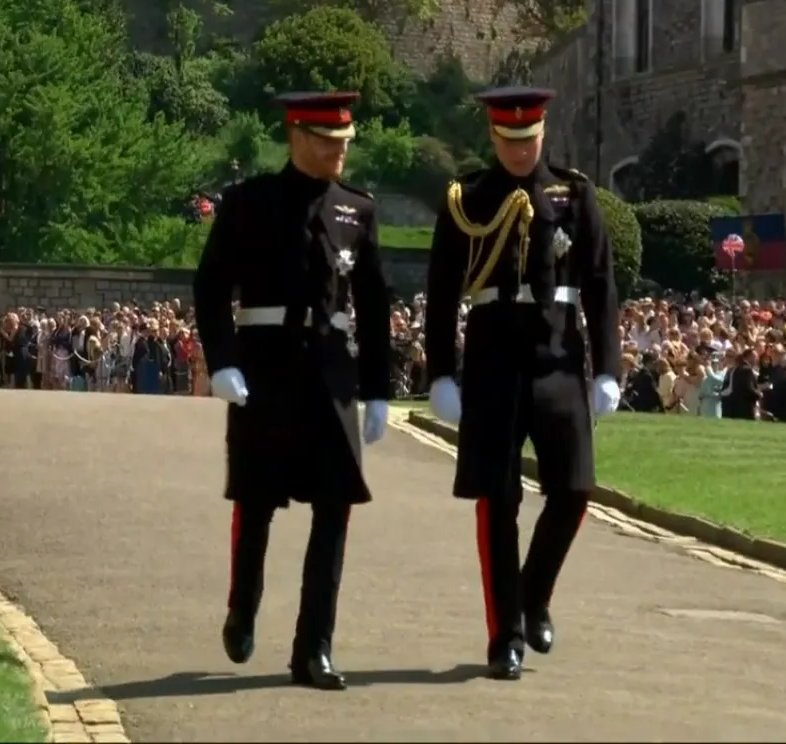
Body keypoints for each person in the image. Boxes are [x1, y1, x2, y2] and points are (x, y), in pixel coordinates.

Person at [191, 90, 392, 691]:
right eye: (328, 141)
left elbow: (376, 306)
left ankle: (315, 647)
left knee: (335, 509)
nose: (338, 152)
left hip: (331, 370)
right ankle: (243, 606)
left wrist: (378, 389)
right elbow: (210, 286)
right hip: (265, 365)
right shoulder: (250, 202)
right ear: (297, 136)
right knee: (256, 501)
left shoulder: (357, 210)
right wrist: (222, 360)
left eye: (344, 143)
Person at [422, 86, 620, 681]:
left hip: (557, 355)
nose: (517, 149)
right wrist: (440, 373)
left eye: (527, 139)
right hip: (493, 360)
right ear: (492, 136)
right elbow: (439, 293)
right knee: (497, 502)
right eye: (508, 140)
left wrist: (607, 367)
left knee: (575, 490)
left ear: (542, 133)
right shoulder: (469, 199)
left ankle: (533, 595)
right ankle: (504, 635)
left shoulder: (575, 194)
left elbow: (600, 286)